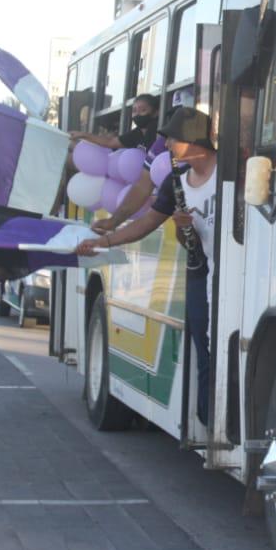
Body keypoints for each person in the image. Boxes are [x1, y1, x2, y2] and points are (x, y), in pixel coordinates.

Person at [77, 107, 217, 424]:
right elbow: (146, 224)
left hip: (234, 276)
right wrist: (105, 241)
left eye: (172, 139)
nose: (166, 146)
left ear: (193, 140)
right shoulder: (176, 182)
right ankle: (210, 423)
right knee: (204, 348)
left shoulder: (233, 175)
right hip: (201, 275)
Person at [69, 93, 160, 151]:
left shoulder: (157, 130)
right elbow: (110, 142)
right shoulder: (137, 133)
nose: (137, 114)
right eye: (134, 111)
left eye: (143, 110)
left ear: (156, 112)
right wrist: (82, 135)